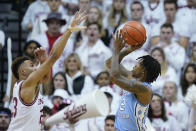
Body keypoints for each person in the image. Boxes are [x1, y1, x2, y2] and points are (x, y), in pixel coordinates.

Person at [7, 10, 87, 131]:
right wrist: (69, 30)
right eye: (31, 65)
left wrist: (44, 62)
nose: (35, 67)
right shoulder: (27, 84)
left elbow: (45, 78)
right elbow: (54, 57)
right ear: (22, 72)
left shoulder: (27, 85)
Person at [106, 30, 161, 130]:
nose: (134, 65)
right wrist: (128, 50)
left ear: (143, 71)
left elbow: (114, 76)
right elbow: (109, 64)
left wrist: (116, 50)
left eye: (138, 64)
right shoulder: (131, 77)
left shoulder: (145, 89)